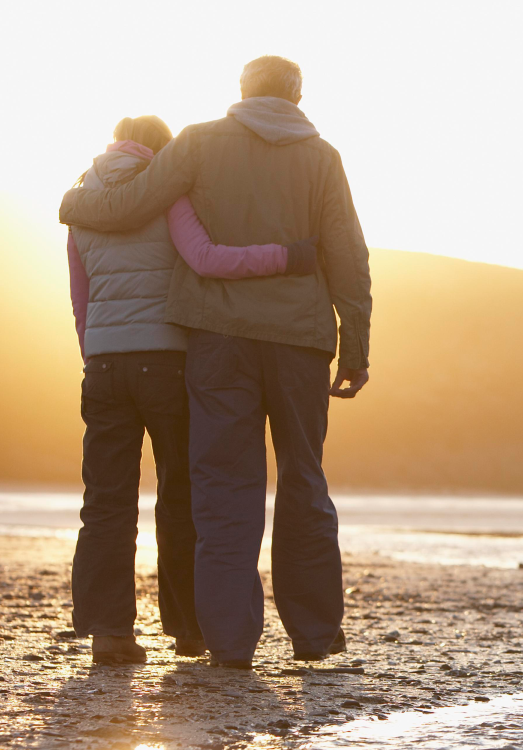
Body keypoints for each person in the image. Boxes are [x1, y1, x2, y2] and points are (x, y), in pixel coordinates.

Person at [60, 56, 373, 668]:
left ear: (241, 91)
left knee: (223, 488)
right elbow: (347, 252)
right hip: (300, 341)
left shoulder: (199, 143)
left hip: (216, 341)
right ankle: (313, 636)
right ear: (298, 94)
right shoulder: (324, 157)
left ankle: (229, 644)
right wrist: (355, 343)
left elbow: (129, 205)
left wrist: (70, 202)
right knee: (304, 479)